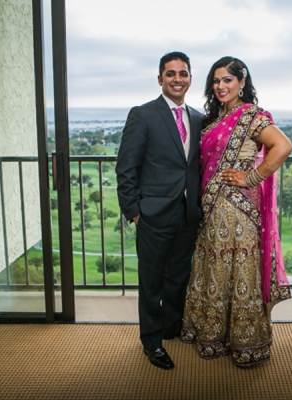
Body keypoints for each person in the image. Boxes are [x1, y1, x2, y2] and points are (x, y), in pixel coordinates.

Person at [180, 56, 292, 368]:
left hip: (237, 210)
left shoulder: (252, 116)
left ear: (242, 82)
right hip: (211, 208)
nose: (220, 86)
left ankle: (246, 342)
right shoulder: (214, 119)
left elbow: (283, 146)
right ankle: (213, 335)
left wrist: (250, 177)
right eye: (216, 81)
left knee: (238, 271)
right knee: (214, 269)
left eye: (227, 80)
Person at [116, 51, 203, 370]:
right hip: (152, 215)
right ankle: (151, 343)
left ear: (190, 78)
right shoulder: (143, 114)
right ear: (160, 79)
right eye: (170, 73)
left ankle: (170, 327)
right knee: (151, 282)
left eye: (183, 73)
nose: (177, 78)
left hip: (187, 215)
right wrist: (135, 211)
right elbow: (126, 167)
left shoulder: (197, 117)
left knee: (178, 277)